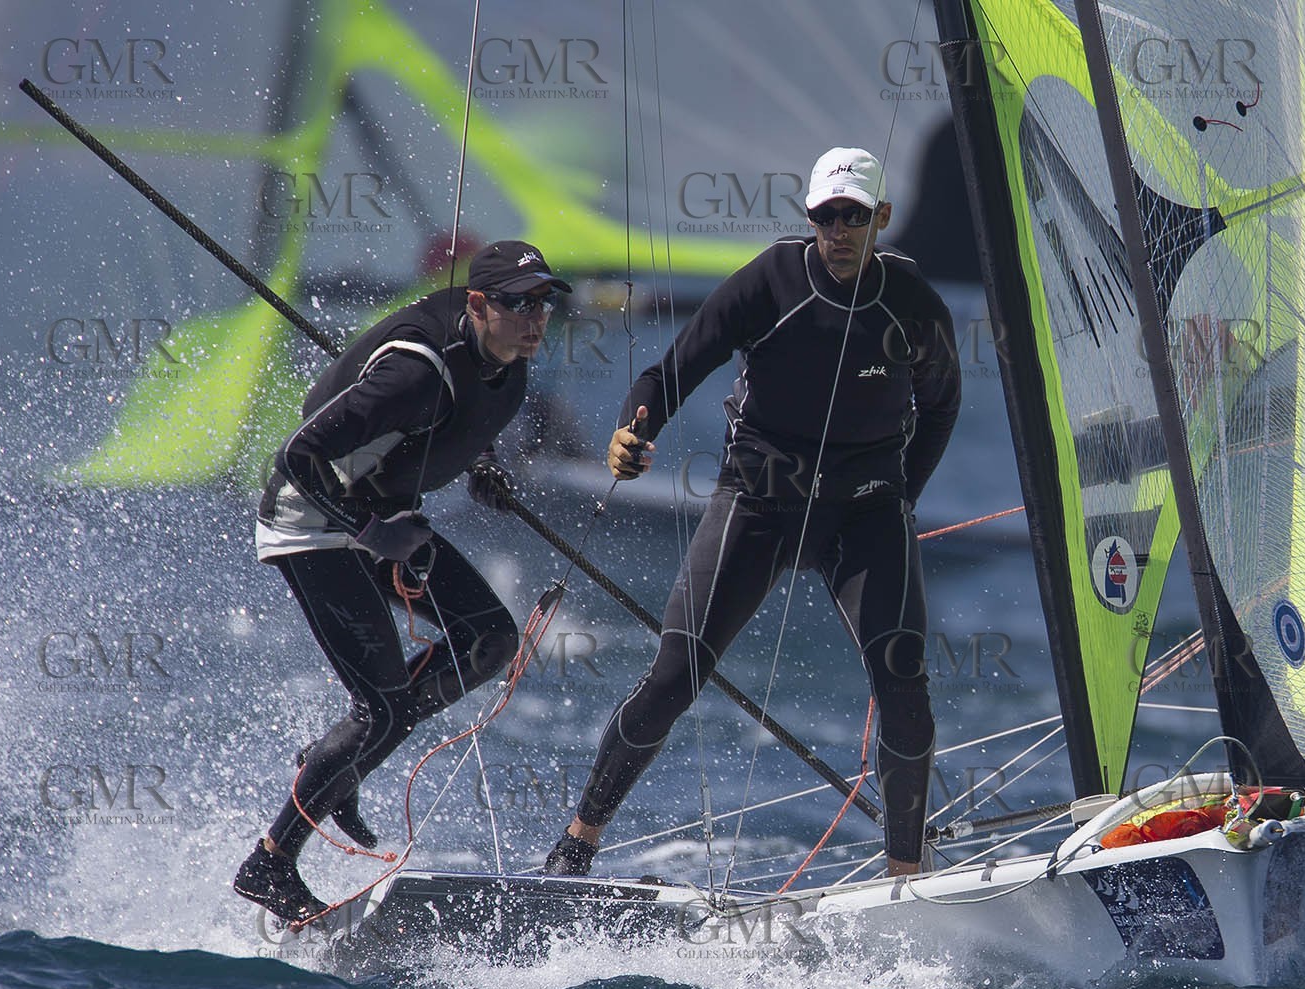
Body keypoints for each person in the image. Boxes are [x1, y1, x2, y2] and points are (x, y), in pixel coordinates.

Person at [542, 147, 961, 879]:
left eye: (853, 217)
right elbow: (672, 369)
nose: (837, 231)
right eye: (825, 217)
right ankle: (578, 840)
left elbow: (943, 404)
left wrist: (903, 496)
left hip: (865, 514)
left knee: (903, 680)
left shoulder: (912, 303)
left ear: (882, 220)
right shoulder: (770, 282)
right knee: (676, 673)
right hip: (758, 503)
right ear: (810, 219)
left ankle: (905, 873)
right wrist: (634, 429)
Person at [233, 240, 571, 922]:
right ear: (478, 303)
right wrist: (367, 529)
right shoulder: (416, 374)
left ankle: (342, 761)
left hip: (378, 514)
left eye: (543, 304)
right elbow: (298, 453)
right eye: (517, 304)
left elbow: (462, 417)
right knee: (381, 708)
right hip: (314, 520)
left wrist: (480, 462)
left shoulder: (505, 357)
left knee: (488, 640)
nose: (534, 318)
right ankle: (269, 862)